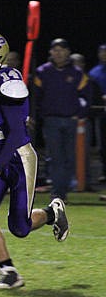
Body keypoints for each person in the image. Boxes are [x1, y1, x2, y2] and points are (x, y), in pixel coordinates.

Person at [0, 30, 69, 289]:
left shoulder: (7, 79)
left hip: (18, 156)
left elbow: (17, 131)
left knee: (20, 226)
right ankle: (9, 272)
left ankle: (53, 213)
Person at [33, 38, 91, 202]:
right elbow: (34, 97)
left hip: (70, 121)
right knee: (57, 158)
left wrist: (79, 113)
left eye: (62, 50)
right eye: (55, 49)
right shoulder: (43, 72)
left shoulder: (77, 73)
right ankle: (58, 193)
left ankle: (61, 191)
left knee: (69, 159)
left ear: (68, 52)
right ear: (51, 52)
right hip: (51, 121)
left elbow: (86, 97)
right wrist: (36, 115)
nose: (58, 53)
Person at [70, 53, 95, 191]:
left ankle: (86, 182)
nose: (76, 66)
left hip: (82, 122)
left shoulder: (86, 80)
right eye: (73, 63)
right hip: (68, 121)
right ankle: (70, 182)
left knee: (84, 153)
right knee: (67, 154)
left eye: (78, 63)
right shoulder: (65, 78)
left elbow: (87, 100)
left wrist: (80, 114)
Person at [88, 44, 106, 183]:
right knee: (103, 145)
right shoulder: (94, 72)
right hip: (101, 113)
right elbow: (91, 94)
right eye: (102, 52)